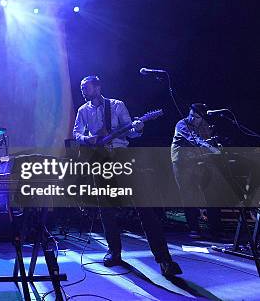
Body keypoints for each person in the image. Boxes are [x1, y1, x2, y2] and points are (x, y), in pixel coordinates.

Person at [72, 75, 182, 277]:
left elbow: (130, 132)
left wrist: (138, 127)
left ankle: (164, 259)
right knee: (106, 210)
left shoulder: (116, 105)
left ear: (97, 86)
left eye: (86, 86)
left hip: (122, 158)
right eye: (81, 87)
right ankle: (114, 252)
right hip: (100, 161)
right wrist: (89, 138)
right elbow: (76, 133)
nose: (83, 90)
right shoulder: (82, 111)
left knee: (144, 207)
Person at [171, 103, 223, 239]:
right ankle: (194, 229)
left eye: (197, 117)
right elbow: (195, 140)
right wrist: (212, 149)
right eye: (191, 115)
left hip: (199, 161)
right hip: (181, 162)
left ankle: (215, 229)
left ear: (202, 117)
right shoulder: (181, 124)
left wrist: (216, 145)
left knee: (212, 193)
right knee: (188, 195)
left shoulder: (205, 124)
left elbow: (209, 140)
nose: (193, 119)